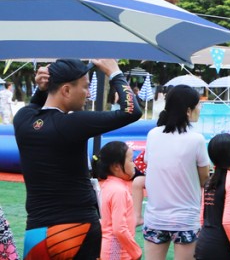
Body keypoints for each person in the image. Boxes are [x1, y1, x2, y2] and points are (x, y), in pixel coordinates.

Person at [15, 58, 142, 260]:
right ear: (66, 90)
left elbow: (36, 106)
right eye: (85, 87)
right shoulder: (72, 123)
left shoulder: (22, 119)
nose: (89, 93)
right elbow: (131, 111)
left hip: (36, 232)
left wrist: (42, 89)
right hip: (76, 229)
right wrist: (115, 73)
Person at [143, 84, 210, 260]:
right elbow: (204, 179)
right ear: (188, 110)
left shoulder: (153, 134)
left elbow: (152, 166)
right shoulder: (196, 140)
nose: (200, 108)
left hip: (155, 217)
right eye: (198, 104)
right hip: (185, 219)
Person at [194, 134, 230, 260]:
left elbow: (202, 217)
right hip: (222, 248)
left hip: (204, 244)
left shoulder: (210, 181)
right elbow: (228, 221)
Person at [95, 141, 142, 260]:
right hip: (116, 250)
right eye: (131, 161)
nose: (134, 165)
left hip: (113, 248)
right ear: (116, 166)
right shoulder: (118, 191)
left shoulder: (109, 186)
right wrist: (136, 251)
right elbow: (119, 229)